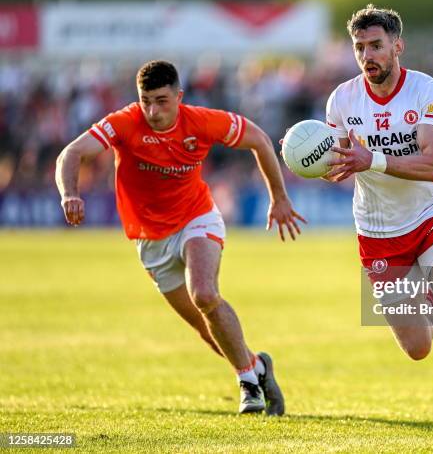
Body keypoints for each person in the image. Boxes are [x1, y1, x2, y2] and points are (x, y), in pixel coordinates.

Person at [55, 60, 306, 416]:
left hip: (196, 219)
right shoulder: (125, 122)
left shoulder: (202, 121)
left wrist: (279, 197)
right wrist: (69, 193)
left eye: (161, 101)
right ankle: (258, 367)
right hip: (150, 240)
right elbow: (72, 153)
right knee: (208, 330)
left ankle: (248, 386)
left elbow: (261, 141)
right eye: (146, 101)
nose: (153, 111)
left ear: (179, 96)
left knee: (204, 293)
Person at [323, 5, 433, 442]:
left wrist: (373, 159)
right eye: (360, 47)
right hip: (379, 230)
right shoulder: (342, 99)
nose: (368, 55)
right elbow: (340, 161)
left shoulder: (427, 90)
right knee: (418, 348)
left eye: (376, 45)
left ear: (397, 46)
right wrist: (313, 158)